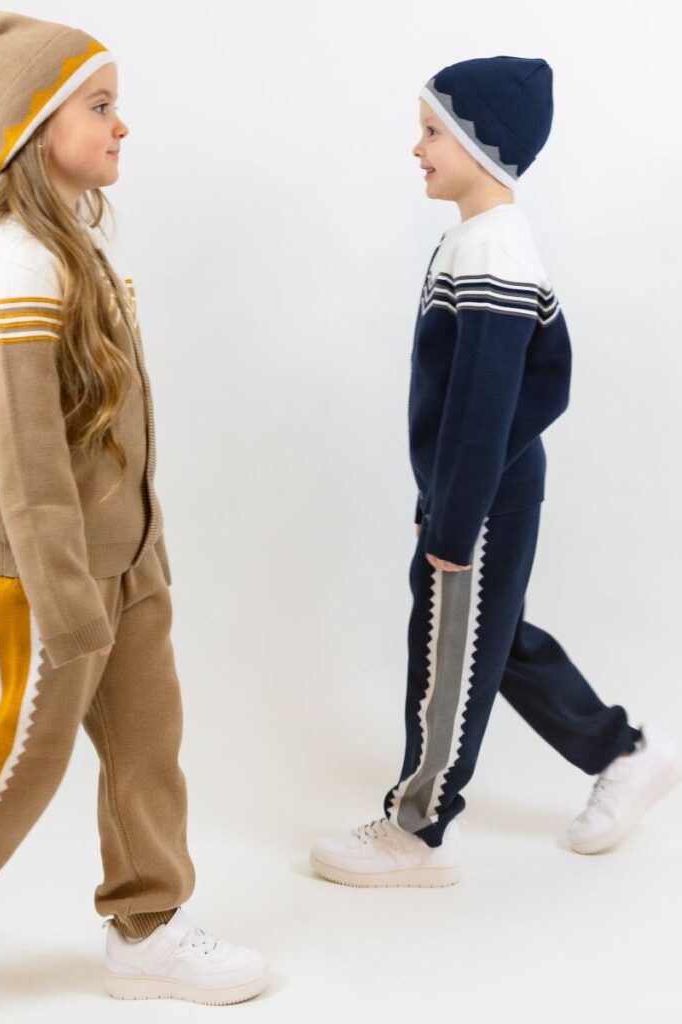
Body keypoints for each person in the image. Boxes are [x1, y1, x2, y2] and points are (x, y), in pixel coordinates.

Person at [0, 10, 269, 1021]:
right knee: (21, 752)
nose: (124, 127)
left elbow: (109, 436)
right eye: (101, 107)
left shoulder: (75, 252)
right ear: (33, 126)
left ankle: (149, 928)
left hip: (124, 562)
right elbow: (29, 473)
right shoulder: (13, 267)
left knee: (150, 744)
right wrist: (72, 601)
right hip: (44, 573)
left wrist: (142, 562)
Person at [310, 55, 682, 887]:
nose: (417, 148)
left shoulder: (494, 252)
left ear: (483, 144)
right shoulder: (476, 241)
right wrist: (437, 493)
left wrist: (453, 517)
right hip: (475, 485)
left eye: (432, 131)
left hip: (485, 487)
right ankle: (625, 750)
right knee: (487, 638)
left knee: (445, 650)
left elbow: (486, 401)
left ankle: (416, 830)